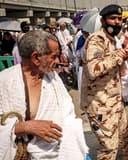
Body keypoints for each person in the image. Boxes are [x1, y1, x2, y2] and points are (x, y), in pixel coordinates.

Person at [0, 30, 88, 159]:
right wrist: (24, 127)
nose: (57, 61)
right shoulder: (5, 82)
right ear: (36, 58)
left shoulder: (53, 78)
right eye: (54, 56)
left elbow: (68, 114)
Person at [80, 4, 128, 160]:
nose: (117, 22)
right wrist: (117, 56)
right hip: (100, 104)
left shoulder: (112, 39)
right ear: (103, 20)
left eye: (119, 19)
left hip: (115, 101)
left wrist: (121, 56)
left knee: (124, 138)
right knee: (109, 147)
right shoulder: (96, 39)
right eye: (113, 18)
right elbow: (93, 69)